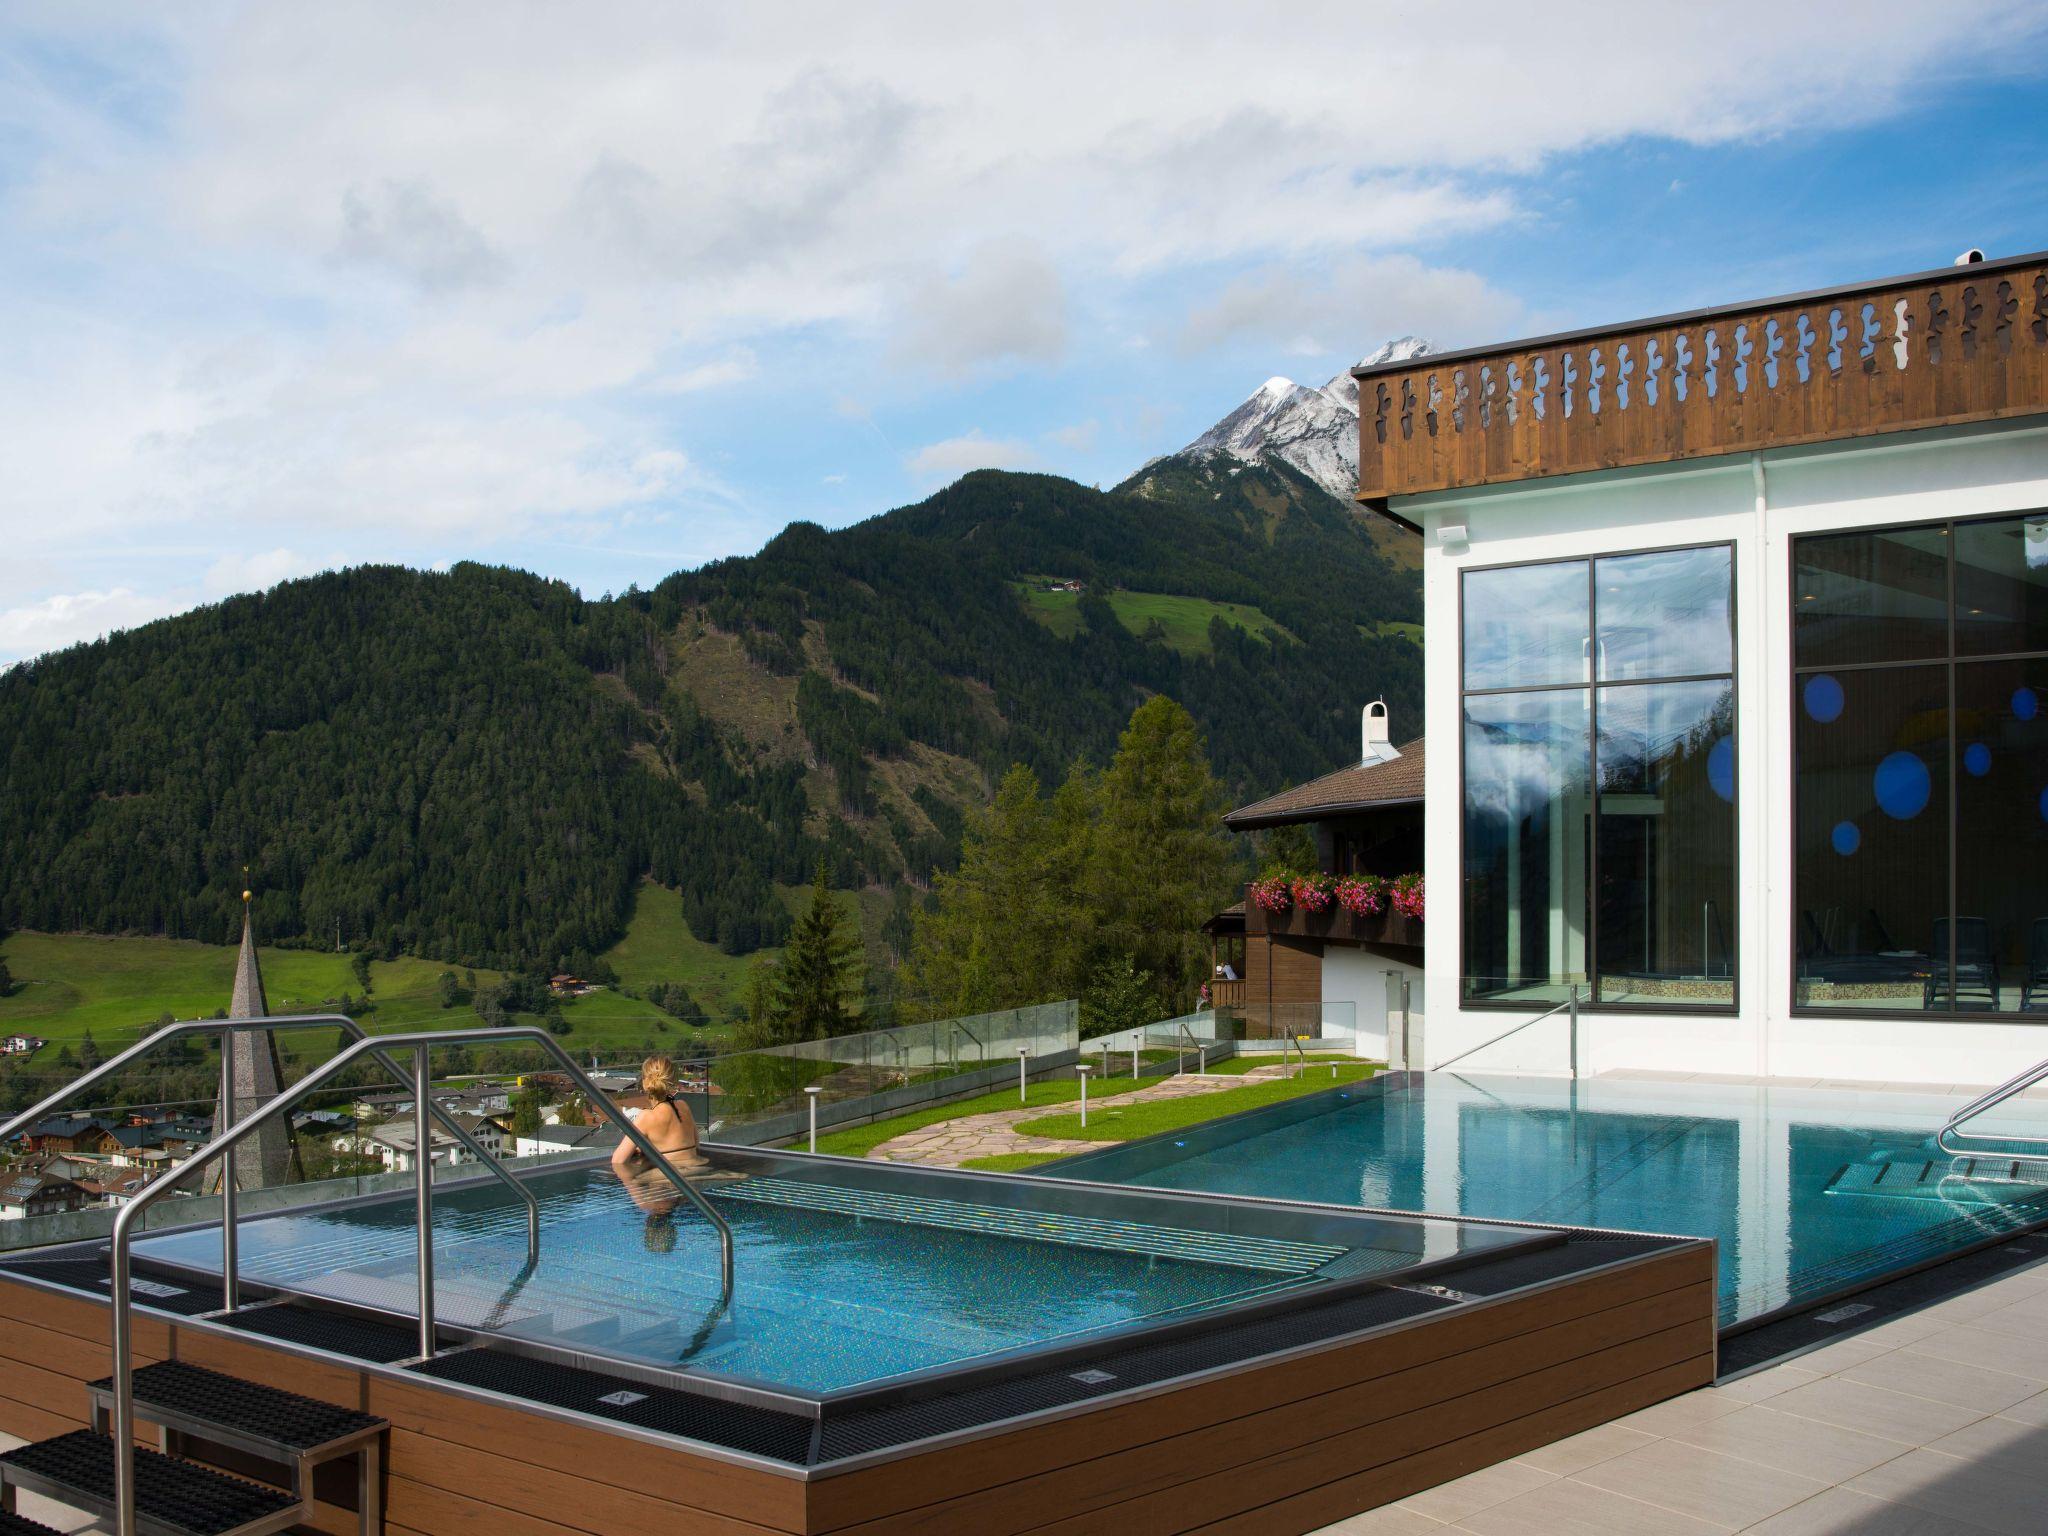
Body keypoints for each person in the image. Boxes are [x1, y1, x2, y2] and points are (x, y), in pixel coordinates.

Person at [610, 1054, 709, 1178]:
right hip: (697, 1169)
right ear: (672, 1080)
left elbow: (618, 1160)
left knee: (634, 1181)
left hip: (668, 1176)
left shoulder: (645, 1117)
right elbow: (696, 1144)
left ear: (646, 1084)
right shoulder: (683, 1106)